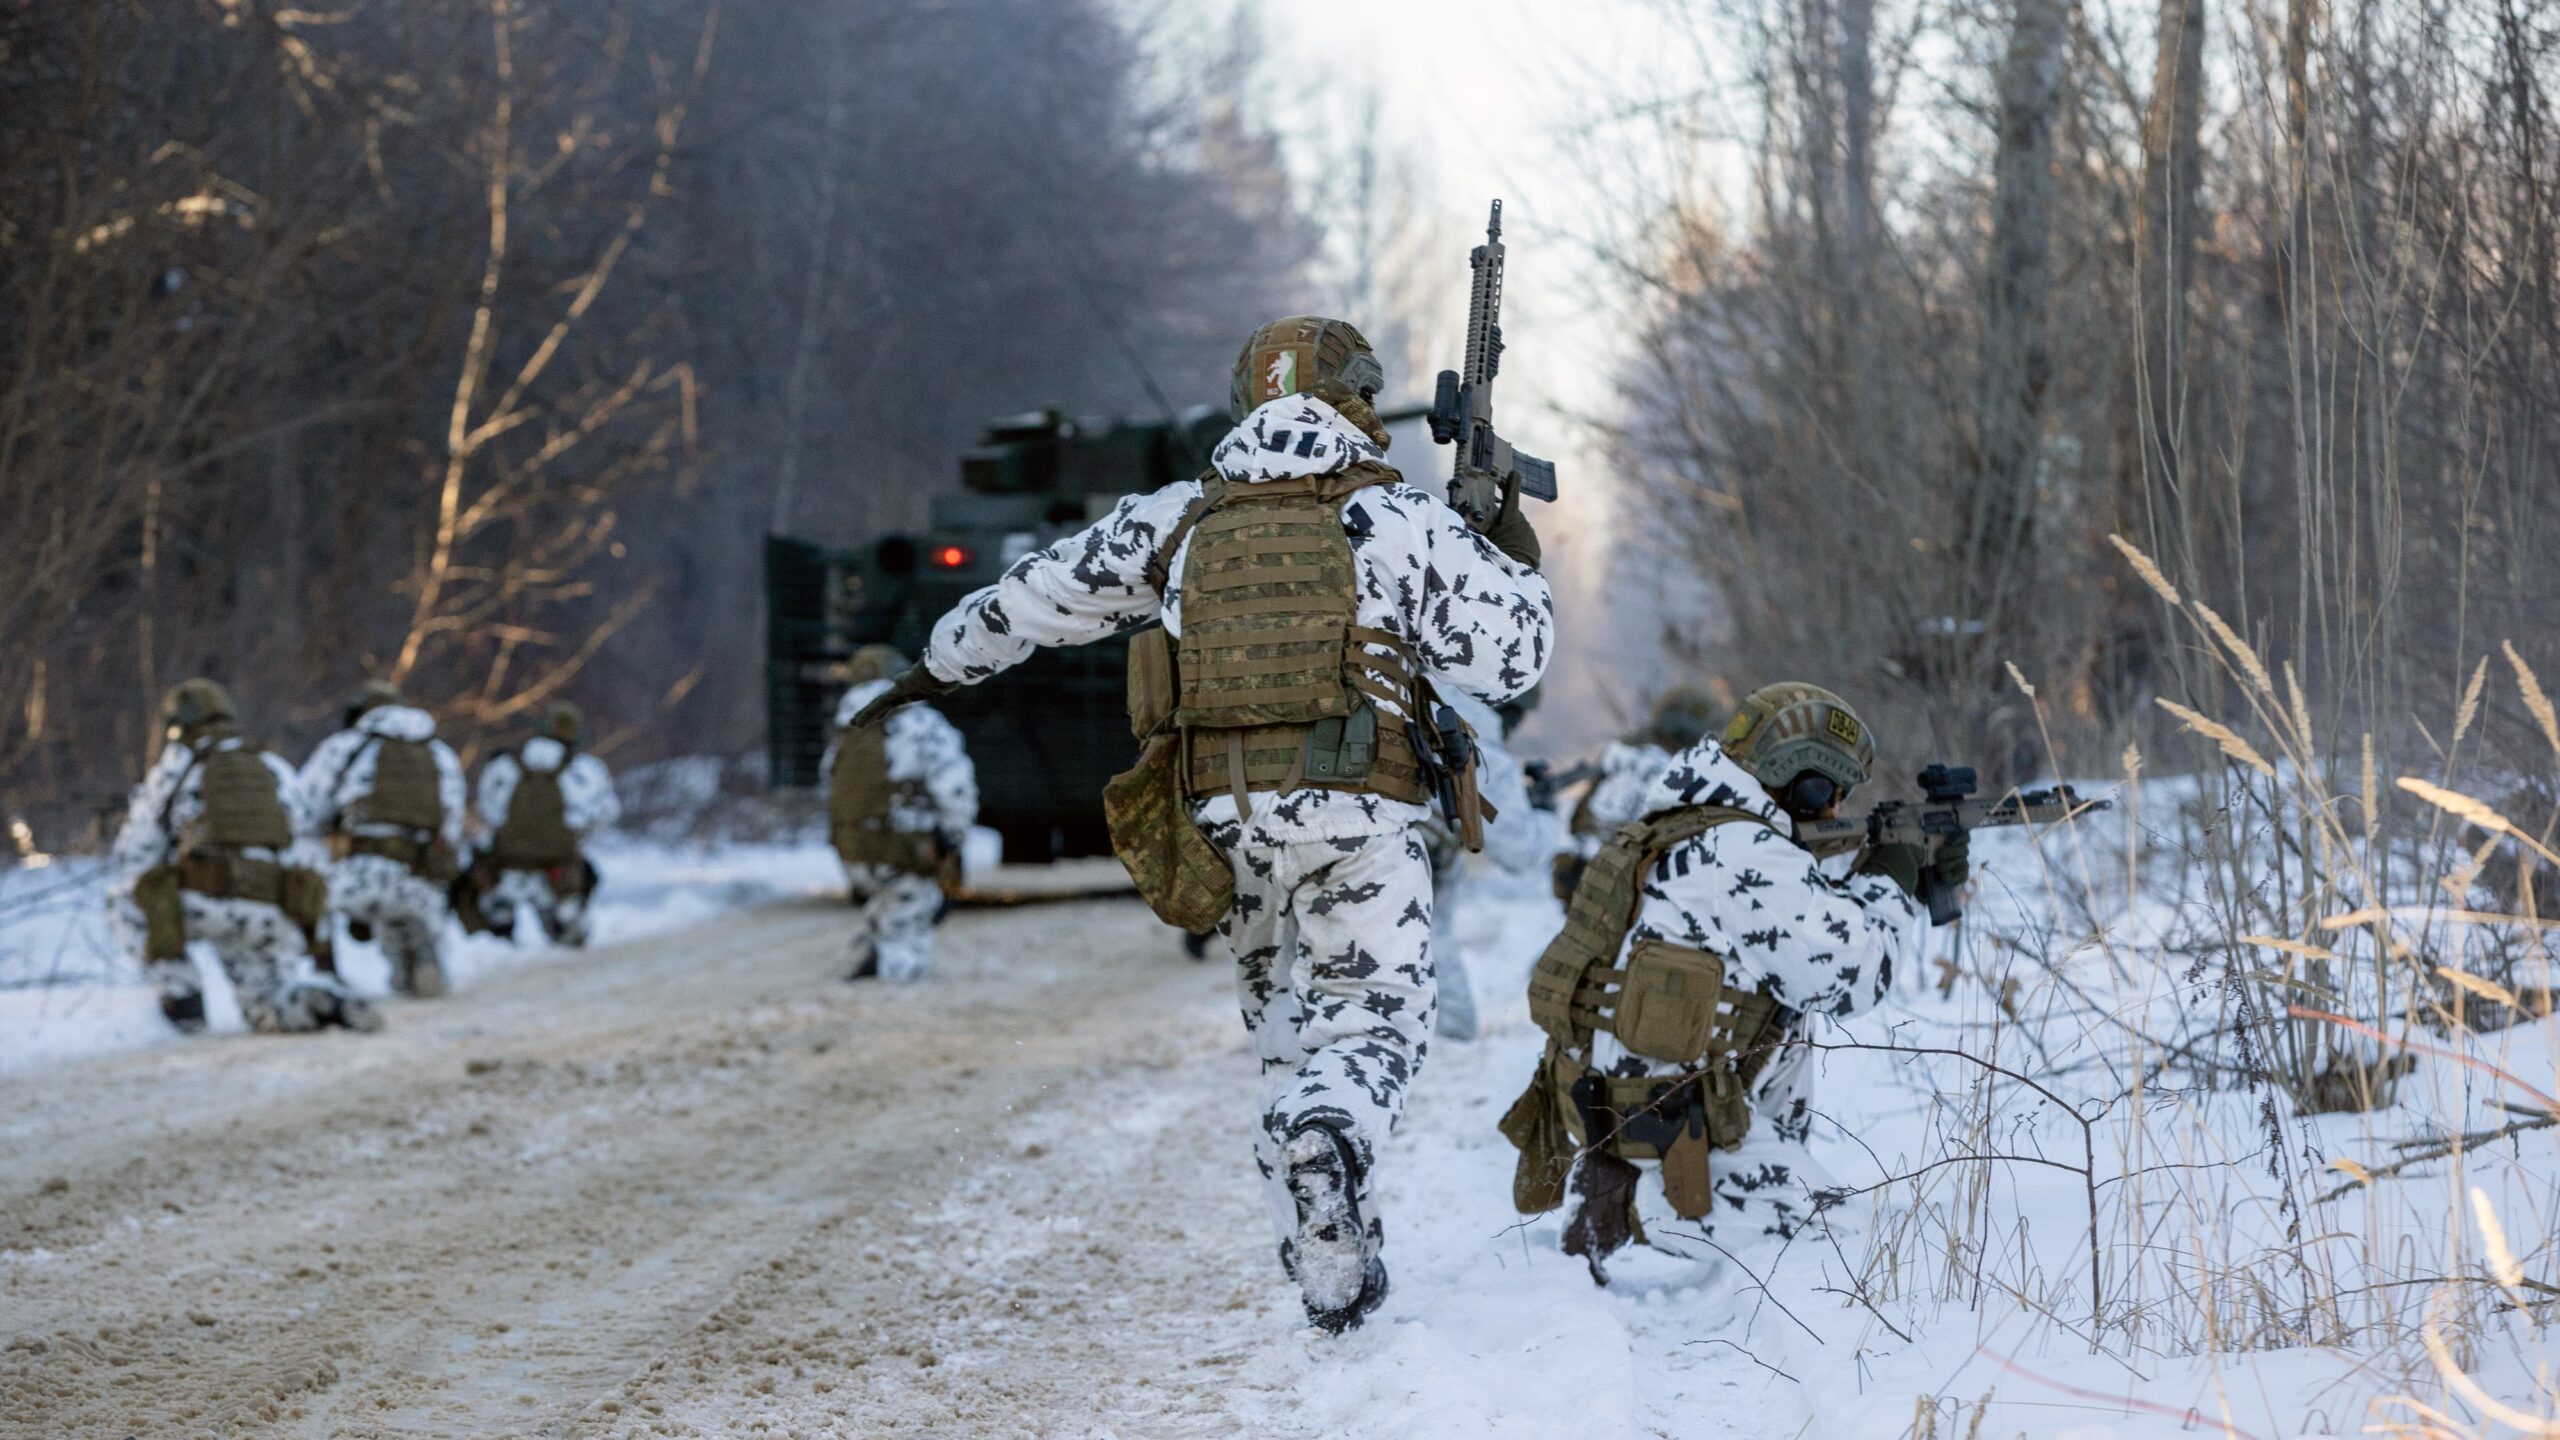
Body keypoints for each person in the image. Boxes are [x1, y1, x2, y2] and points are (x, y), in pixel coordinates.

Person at [848, 316, 1553, 1331]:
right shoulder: (1393, 520)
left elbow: (1036, 598)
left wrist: (929, 669)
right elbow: (1515, 655)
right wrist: (1498, 532)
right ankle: (1332, 1143)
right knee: (1370, 1020)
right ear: (1358, 400)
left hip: (1225, 822)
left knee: (1280, 1038)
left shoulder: (1182, 518)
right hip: (1359, 814)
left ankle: (1321, 1268)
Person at [1501, 682, 1963, 1281]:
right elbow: (1854, 976)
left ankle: (1659, 1177)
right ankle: (1652, 1211)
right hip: (1662, 1123)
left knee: (1782, 1000)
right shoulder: (1739, 849)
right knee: (1836, 1247)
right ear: (1801, 779)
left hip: (1615, 1100)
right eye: (1832, 794)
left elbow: (1799, 941)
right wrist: (1895, 868)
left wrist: (1888, 870)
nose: (1838, 812)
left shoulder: (1683, 820)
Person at [110, 679, 378, 1034]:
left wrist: (167, 904)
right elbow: (306, 844)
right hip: (271, 912)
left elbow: (135, 854)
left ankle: (184, 1004)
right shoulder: (272, 766)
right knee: (265, 1004)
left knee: (123, 901)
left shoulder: (175, 768)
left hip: (205, 905)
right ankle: (307, 1003)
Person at [301, 681, 466, 997]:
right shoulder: (439, 753)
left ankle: (325, 970)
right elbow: (452, 827)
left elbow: (305, 810)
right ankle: (421, 957)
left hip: (353, 878)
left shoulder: (343, 746)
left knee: (308, 871)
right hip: (420, 880)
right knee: (407, 911)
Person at [822, 645, 977, 981]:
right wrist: (952, 839)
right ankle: (895, 990)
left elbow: (828, 779)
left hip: (852, 847)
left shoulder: (847, 729)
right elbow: (955, 789)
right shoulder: (923, 724)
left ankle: (877, 952)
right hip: (907, 846)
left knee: (886, 904)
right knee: (912, 918)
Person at [1423, 686, 1547, 1043]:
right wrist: (1545, 813)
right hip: (1400, 886)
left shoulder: (1416, 707)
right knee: (1453, 1030)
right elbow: (1521, 851)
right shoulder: (1476, 748)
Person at [466, 702, 621, 948]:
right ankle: (566, 926)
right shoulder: (584, 770)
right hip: (558, 869)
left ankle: (495, 940)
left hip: (503, 865)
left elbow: (485, 810)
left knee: (479, 901)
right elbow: (604, 814)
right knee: (585, 887)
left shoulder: (503, 764)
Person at [1551, 683, 1719, 901]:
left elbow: (1581, 811)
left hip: (1584, 870)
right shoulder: (1688, 768)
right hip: (1628, 885)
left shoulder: (1622, 749)